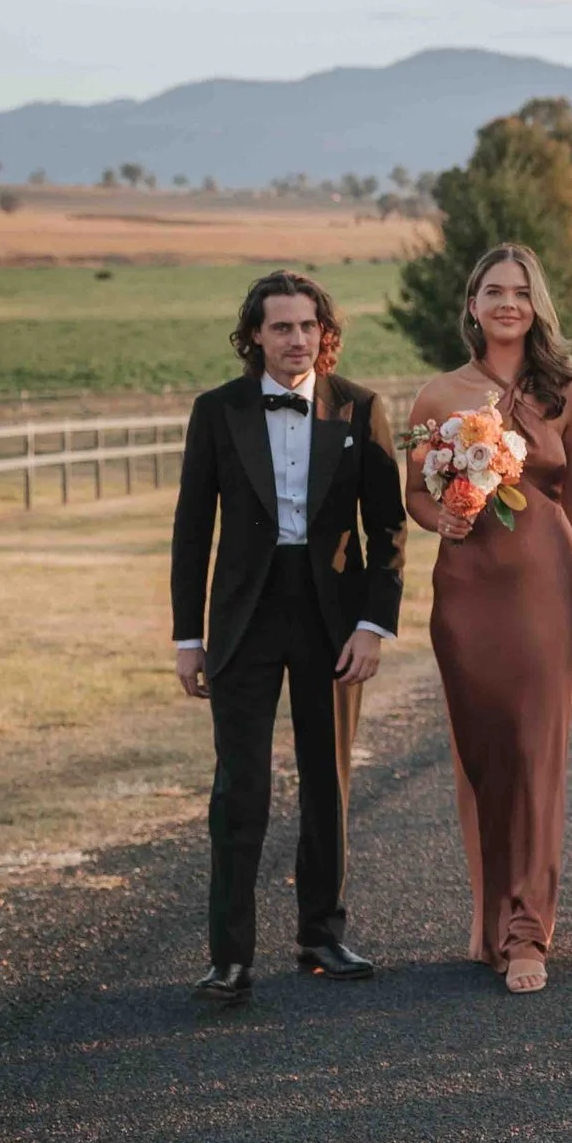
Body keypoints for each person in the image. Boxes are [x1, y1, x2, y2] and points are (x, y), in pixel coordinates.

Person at [171, 270, 404, 1005]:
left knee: (327, 781)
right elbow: (190, 531)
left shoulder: (363, 409)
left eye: (307, 326)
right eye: (280, 327)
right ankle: (228, 956)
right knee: (239, 786)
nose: (295, 338)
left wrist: (373, 624)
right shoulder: (217, 411)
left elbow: (388, 527)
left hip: (331, 619)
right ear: (255, 337)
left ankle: (321, 933)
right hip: (242, 617)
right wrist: (187, 634)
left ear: (324, 333)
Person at [406, 244, 572, 995]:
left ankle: (528, 930)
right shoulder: (439, 395)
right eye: (494, 290)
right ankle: (489, 910)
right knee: (481, 751)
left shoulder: (565, 390)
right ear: (472, 304)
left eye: (521, 292)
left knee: (536, 753)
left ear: (536, 306)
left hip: (546, 588)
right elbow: (415, 494)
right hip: (467, 591)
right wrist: (444, 518)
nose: (507, 304)